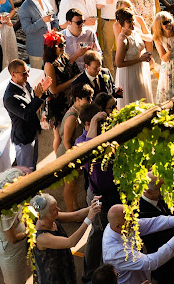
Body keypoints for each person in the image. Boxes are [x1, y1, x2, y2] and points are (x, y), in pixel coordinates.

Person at [74, 105, 122, 283]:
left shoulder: (105, 136)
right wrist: (94, 121)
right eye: (97, 122)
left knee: (112, 232)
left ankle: (108, 271)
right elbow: (89, 151)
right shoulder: (81, 142)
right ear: (88, 123)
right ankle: (90, 274)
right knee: (97, 234)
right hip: (97, 195)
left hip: (114, 193)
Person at [103, 204, 174, 284]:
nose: (134, 223)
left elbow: (151, 224)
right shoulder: (115, 252)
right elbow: (150, 262)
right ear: (118, 227)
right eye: (131, 222)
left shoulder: (120, 224)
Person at [31, 193, 101, 284]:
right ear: (43, 216)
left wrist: (93, 207)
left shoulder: (51, 217)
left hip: (63, 264)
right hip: (53, 275)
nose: (58, 210)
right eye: (54, 209)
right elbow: (71, 242)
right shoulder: (41, 237)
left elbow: (77, 215)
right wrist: (88, 219)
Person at [3, 59, 52, 169]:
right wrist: (38, 97)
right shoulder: (10, 98)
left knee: (33, 164)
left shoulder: (25, 84)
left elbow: (32, 105)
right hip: (23, 138)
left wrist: (42, 93)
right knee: (25, 171)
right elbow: (27, 115)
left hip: (32, 131)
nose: (28, 75)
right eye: (24, 73)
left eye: (28, 71)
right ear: (13, 74)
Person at [138, 172, 174, 284]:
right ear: (148, 192)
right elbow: (154, 238)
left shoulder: (160, 199)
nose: (164, 191)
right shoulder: (140, 211)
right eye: (160, 188)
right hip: (163, 264)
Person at [43, 31, 81, 155]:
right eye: (60, 45)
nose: (63, 46)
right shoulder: (49, 65)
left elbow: (68, 66)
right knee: (59, 136)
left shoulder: (63, 57)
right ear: (51, 47)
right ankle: (58, 162)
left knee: (68, 133)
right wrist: (73, 80)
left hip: (67, 100)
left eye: (64, 43)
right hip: (57, 104)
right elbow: (53, 89)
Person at [0, 167, 31, 284]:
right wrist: (29, 232)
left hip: (19, 246)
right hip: (11, 251)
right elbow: (13, 239)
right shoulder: (6, 211)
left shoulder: (13, 201)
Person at [59, 83, 94, 212]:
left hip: (72, 152)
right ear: (78, 99)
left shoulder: (78, 112)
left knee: (74, 184)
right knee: (70, 185)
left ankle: (75, 207)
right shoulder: (72, 117)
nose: (90, 101)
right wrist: (75, 161)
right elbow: (67, 141)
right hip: (68, 154)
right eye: (88, 99)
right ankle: (70, 212)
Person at [96, 0, 133, 73]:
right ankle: (110, 76)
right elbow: (98, 4)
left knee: (126, 48)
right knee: (108, 50)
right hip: (108, 20)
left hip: (124, 21)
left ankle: (126, 73)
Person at [114, 8, 154, 109]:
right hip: (130, 74)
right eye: (129, 22)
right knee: (134, 100)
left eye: (132, 20)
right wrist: (140, 59)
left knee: (143, 98)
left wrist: (146, 56)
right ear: (122, 23)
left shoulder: (135, 31)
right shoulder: (122, 40)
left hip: (141, 70)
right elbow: (118, 63)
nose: (132, 23)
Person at [19, 0, 59, 69]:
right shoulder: (24, 8)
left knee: (53, 71)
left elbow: (52, 13)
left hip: (51, 45)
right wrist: (42, 21)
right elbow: (26, 30)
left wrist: (55, 27)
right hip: (36, 48)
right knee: (37, 75)